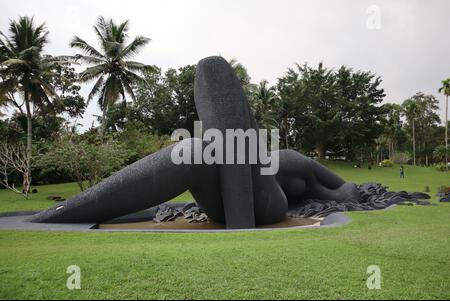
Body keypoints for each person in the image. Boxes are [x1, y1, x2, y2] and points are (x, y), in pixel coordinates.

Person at [30, 56, 360, 229]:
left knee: (199, 144)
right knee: (199, 150)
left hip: (268, 206)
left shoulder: (293, 166)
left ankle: (241, 224)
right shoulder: (285, 158)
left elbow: (343, 191)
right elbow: (342, 189)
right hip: (228, 200)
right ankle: (66, 212)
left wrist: (347, 194)